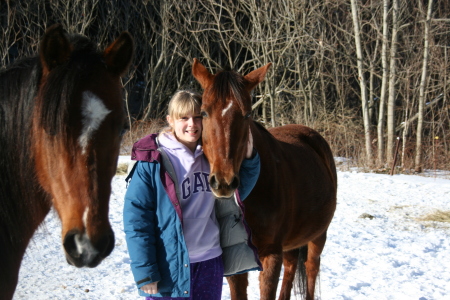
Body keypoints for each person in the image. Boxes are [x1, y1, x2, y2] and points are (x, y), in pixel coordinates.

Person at [123, 90, 261, 299]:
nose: (192, 124)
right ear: (170, 120)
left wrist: (250, 159)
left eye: (198, 117)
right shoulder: (152, 161)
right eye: (184, 118)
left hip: (209, 262)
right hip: (169, 266)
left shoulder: (210, 157)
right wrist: (145, 272)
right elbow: (136, 221)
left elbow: (236, 192)